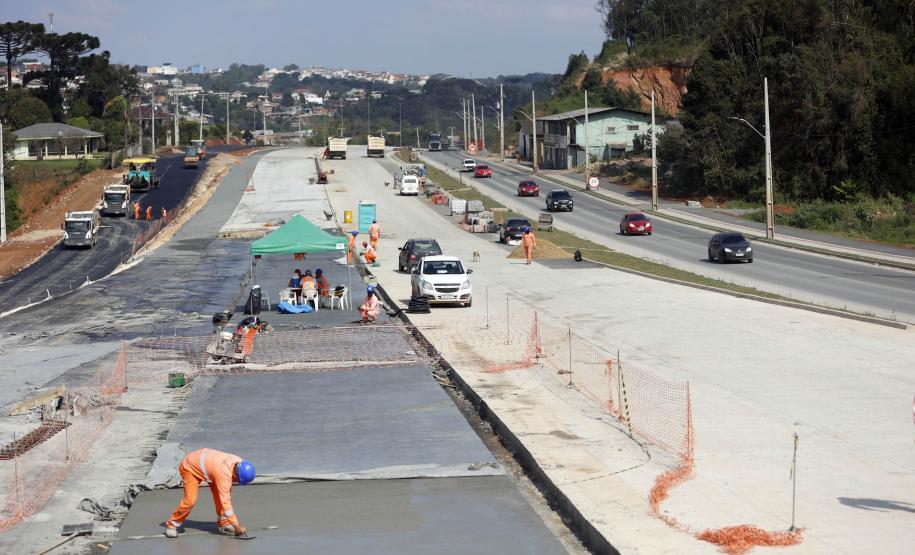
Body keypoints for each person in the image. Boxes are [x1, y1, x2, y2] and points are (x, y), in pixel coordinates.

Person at [164, 448, 255, 538]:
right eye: (238, 481)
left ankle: (224, 523)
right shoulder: (224, 475)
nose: (237, 482)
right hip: (189, 467)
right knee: (190, 501)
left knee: (222, 495)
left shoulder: (240, 462)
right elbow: (225, 502)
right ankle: (172, 525)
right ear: (236, 475)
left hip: (207, 467)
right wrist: (236, 526)